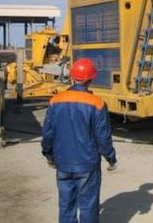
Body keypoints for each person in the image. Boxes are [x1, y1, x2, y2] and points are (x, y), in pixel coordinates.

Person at [41, 58, 117, 223]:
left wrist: (49, 156)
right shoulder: (97, 103)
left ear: (72, 76)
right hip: (87, 165)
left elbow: (47, 133)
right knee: (88, 206)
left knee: (66, 206)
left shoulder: (55, 101)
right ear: (91, 79)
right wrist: (111, 159)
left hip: (63, 163)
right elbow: (103, 138)